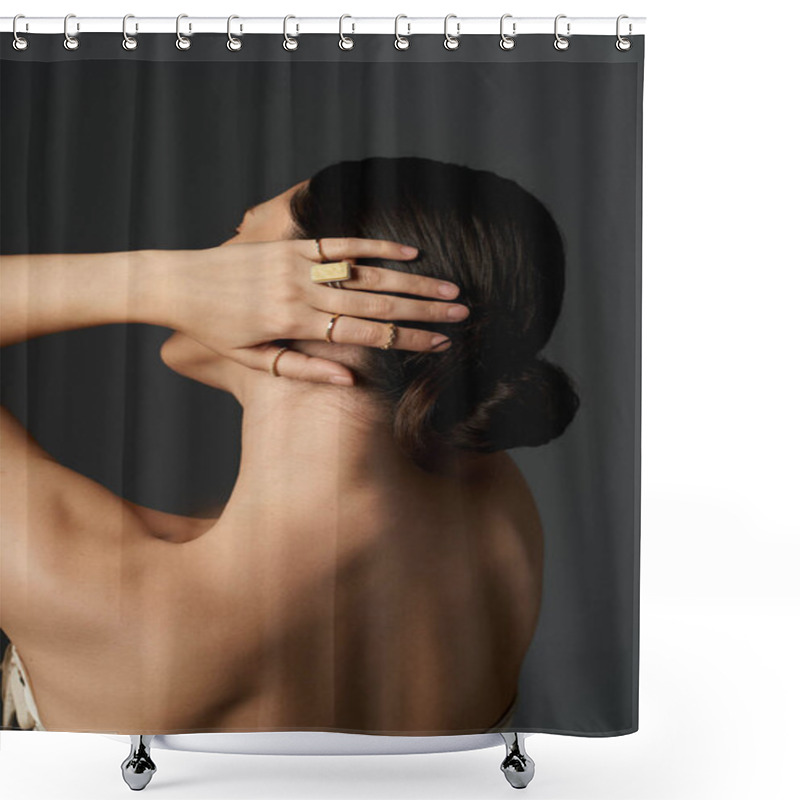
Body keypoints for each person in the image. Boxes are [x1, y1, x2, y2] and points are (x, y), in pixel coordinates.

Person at [0, 156, 579, 735]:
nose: (205, 264)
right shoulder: (492, 502)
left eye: (241, 237)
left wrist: (153, 281)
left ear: (329, 287)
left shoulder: (89, 586)